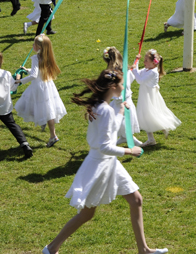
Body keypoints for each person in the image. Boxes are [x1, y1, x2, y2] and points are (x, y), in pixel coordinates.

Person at [42, 69, 167, 254]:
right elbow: (104, 146)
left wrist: (119, 111)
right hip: (99, 165)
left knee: (136, 199)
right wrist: (129, 150)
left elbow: (108, 129)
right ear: (113, 86)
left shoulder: (101, 106)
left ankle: (144, 250)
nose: (124, 87)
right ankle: (52, 248)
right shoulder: (104, 110)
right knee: (86, 214)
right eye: (122, 84)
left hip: (109, 163)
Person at [14, 35, 66, 147]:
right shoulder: (47, 57)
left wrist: (20, 81)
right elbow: (37, 72)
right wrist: (27, 69)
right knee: (48, 110)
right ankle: (51, 132)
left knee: (30, 106)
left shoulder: (35, 58)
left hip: (38, 87)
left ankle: (52, 135)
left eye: (34, 44)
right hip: (47, 86)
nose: (32, 46)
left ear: (39, 47)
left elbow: (33, 75)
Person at [132, 49, 180, 148]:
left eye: (146, 61)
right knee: (146, 116)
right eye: (144, 60)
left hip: (149, 97)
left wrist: (134, 69)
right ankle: (152, 138)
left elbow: (140, 80)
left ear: (153, 63)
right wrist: (135, 62)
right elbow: (137, 72)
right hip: (145, 95)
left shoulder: (153, 72)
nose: (144, 62)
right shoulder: (147, 69)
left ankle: (162, 129)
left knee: (149, 115)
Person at [102, 47, 143, 147]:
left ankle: (131, 140)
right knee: (122, 123)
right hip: (123, 102)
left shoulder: (112, 74)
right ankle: (124, 138)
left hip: (122, 103)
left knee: (122, 122)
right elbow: (131, 78)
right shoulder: (126, 70)